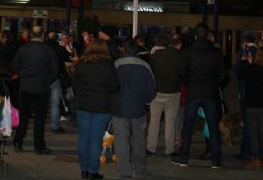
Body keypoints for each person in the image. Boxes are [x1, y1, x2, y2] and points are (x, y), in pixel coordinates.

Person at [170, 24, 224, 170]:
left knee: (187, 127)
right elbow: (222, 75)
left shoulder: (188, 52)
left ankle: (184, 158)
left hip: (193, 92)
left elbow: (182, 73)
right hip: (210, 92)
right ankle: (215, 160)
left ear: (195, 35)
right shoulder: (216, 52)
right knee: (213, 127)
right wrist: (214, 83)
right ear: (207, 35)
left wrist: (188, 84)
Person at [73, 38, 119, 180]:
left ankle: (84, 170)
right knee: (95, 139)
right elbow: (115, 87)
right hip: (102, 106)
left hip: (82, 105)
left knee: (83, 137)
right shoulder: (109, 65)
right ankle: (93, 171)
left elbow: (74, 84)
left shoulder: (81, 63)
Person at [111, 39, 156, 179]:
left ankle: (124, 171)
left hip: (119, 108)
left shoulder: (116, 65)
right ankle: (140, 169)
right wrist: (145, 101)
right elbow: (152, 89)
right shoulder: (145, 65)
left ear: (122, 49)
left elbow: (109, 86)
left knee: (121, 140)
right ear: (136, 50)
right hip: (138, 108)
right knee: (139, 140)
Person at [12, 26, 59, 154]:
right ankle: (39, 146)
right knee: (40, 118)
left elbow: (15, 65)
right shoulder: (48, 50)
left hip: (25, 86)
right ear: (43, 34)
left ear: (32, 34)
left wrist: (23, 75)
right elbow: (55, 70)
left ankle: (18, 141)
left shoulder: (23, 49)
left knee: (23, 116)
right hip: (41, 88)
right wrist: (47, 80)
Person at [238, 46, 263, 169]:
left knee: (254, 134)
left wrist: (245, 62)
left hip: (252, 105)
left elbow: (241, 76)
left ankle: (256, 160)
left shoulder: (252, 68)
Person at [147, 35, 182, 157]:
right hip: (173, 93)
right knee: (170, 122)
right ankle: (169, 150)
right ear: (177, 45)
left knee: (154, 121)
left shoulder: (156, 55)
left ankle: (151, 148)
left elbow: (150, 72)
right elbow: (183, 75)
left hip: (157, 93)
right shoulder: (179, 56)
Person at [47, 30, 71, 133]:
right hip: (56, 77)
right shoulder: (60, 49)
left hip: (43, 77)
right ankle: (55, 126)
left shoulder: (44, 48)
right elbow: (69, 58)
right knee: (55, 102)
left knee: (41, 101)